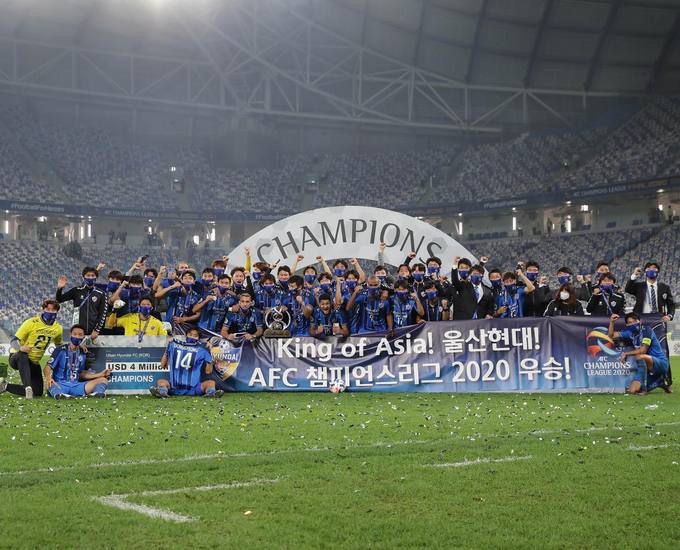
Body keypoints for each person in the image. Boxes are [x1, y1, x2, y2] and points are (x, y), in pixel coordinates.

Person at [0, 300, 64, 399]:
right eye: (48, 309)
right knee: (23, 354)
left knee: (37, 392)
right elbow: (13, 341)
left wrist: (75, 347)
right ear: (43, 309)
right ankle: (27, 387)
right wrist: (21, 348)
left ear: (57, 311)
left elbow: (59, 346)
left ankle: (5, 386)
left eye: (53, 310)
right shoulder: (31, 322)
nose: (50, 312)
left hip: (34, 362)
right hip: (17, 357)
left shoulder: (58, 328)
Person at [608, 313, 671, 394]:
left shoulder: (646, 330)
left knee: (640, 356)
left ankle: (644, 389)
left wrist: (626, 354)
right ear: (627, 325)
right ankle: (659, 382)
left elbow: (643, 350)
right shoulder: (630, 333)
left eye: (635, 321)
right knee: (632, 390)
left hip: (660, 362)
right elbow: (611, 336)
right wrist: (612, 322)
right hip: (646, 368)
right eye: (630, 322)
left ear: (640, 321)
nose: (633, 324)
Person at [149, 328, 222, 398]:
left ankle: (211, 393)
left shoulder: (202, 350)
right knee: (161, 381)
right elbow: (162, 365)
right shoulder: (174, 345)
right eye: (190, 334)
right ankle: (162, 393)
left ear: (198, 338)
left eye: (195, 335)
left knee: (211, 383)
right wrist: (167, 350)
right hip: (175, 388)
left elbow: (208, 371)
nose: (192, 337)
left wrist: (209, 354)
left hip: (193, 389)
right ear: (186, 335)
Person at [44, 324, 111, 399]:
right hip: (61, 385)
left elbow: (82, 373)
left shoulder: (83, 352)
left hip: (76, 386)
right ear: (70, 335)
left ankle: (97, 393)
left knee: (103, 380)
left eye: (80, 335)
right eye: (75, 334)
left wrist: (100, 374)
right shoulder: (60, 350)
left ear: (83, 337)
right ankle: (59, 395)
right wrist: (48, 378)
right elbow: (47, 367)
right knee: (51, 383)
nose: (77, 337)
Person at [56, 266, 109, 341]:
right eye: (88, 275)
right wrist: (59, 289)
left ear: (96, 277)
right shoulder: (76, 290)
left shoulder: (101, 294)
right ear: (83, 277)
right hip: (78, 331)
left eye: (92, 275)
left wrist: (97, 330)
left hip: (93, 331)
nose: (90, 277)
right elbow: (59, 299)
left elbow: (103, 314)